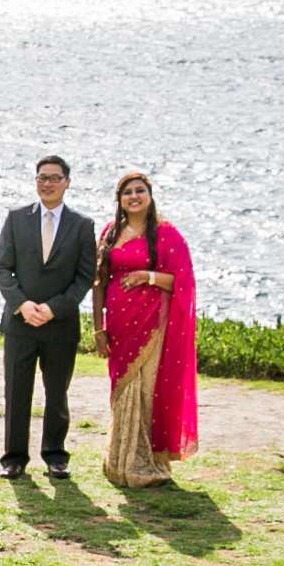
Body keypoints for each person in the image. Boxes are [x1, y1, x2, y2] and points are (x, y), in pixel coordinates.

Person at [0, 154, 98, 478]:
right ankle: (13, 459)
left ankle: (55, 456)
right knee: (17, 392)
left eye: (54, 178)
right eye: (42, 177)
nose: (47, 183)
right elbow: (2, 267)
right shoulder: (16, 218)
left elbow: (84, 277)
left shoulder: (82, 226)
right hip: (20, 323)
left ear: (67, 182)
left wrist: (54, 307)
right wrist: (22, 304)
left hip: (60, 325)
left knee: (57, 393)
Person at [89, 170, 198, 487]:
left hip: (153, 326)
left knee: (146, 390)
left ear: (149, 196)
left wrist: (146, 277)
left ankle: (142, 464)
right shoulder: (111, 232)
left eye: (140, 191)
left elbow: (183, 282)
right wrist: (99, 328)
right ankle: (119, 460)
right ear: (119, 200)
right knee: (121, 389)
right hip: (120, 327)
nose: (134, 196)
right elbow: (98, 283)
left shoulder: (167, 235)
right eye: (127, 192)